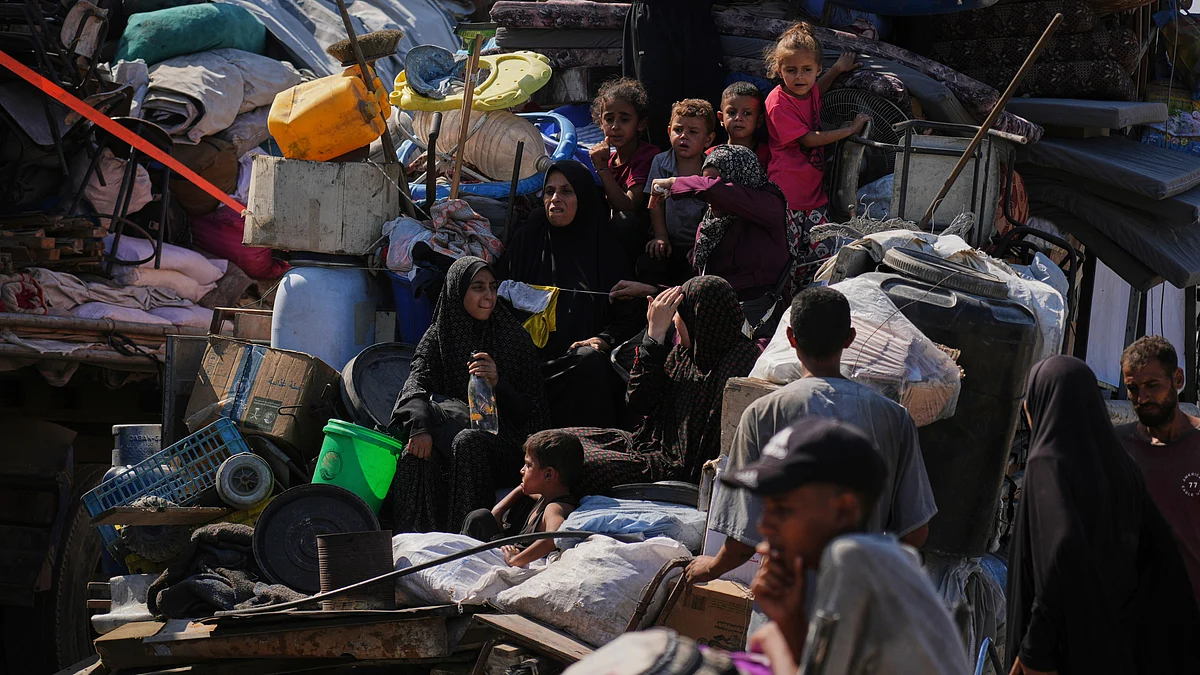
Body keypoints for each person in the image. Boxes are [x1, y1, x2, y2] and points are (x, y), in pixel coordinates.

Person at [689, 287, 936, 603]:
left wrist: (708, 568)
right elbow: (915, 532)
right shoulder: (894, 417)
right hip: (857, 609)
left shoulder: (764, 413)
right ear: (849, 338)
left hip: (782, 606)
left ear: (791, 338)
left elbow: (742, 539)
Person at [723, 418, 969, 675]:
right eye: (766, 508)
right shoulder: (887, 556)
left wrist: (776, 640)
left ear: (844, 509)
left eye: (782, 510)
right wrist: (790, 620)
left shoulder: (851, 557)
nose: (764, 526)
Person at [1007, 355, 1200, 674]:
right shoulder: (1125, 467)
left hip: (1060, 657)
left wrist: (1034, 652)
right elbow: (1160, 556)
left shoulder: (1048, 463)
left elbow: (1063, 551)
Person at [387, 257, 549, 534]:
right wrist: (420, 428)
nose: (488, 296)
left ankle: (468, 539)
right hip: (456, 429)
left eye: (492, 288)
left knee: (469, 442)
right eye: (478, 288)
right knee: (414, 454)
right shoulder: (439, 336)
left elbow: (532, 412)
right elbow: (415, 383)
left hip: (508, 443)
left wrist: (498, 383)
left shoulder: (513, 338)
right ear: (457, 291)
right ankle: (414, 544)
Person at [567, 276, 759, 494]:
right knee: (560, 445)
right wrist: (653, 337)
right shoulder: (685, 355)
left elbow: (697, 449)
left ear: (700, 319)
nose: (675, 322)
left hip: (674, 469)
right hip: (647, 446)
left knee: (572, 465)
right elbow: (639, 402)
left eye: (679, 314)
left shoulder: (739, 360)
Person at [496, 161, 644, 429]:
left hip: (576, 365)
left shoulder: (604, 247)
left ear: (584, 197)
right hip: (528, 364)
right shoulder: (526, 241)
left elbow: (629, 316)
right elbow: (498, 301)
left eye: (567, 191)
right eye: (549, 191)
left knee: (590, 362)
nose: (555, 199)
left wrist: (602, 339)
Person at [648, 144, 789, 338]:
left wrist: (675, 182)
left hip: (757, 319)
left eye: (717, 183)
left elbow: (715, 190)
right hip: (714, 311)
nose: (708, 196)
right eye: (704, 180)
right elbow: (703, 284)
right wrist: (655, 291)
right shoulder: (710, 224)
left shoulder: (768, 205)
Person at [764, 23, 867, 286]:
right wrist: (850, 130)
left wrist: (836, 70)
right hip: (787, 196)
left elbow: (817, 88)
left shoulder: (809, 91)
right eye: (791, 70)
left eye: (807, 70)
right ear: (779, 70)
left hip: (814, 194)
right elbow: (809, 140)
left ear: (817, 69)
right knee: (787, 257)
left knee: (821, 255)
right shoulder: (777, 102)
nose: (800, 77)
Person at [1116, 336, 1200, 608]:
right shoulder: (1115, 448)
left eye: (1153, 385)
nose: (1142, 398)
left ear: (1178, 379)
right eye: (1132, 388)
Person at [460, 430, 583, 567]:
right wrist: (499, 510)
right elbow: (522, 490)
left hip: (517, 560)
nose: (522, 470)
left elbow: (554, 536)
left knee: (479, 518)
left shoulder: (555, 507)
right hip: (509, 549)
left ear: (548, 475)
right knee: (481, 517)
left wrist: (515, 560)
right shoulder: (545, 496)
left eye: (528, 465)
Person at [642, 98, 716, 286]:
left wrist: (701, 244)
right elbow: (655, 203)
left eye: (693, 132)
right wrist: (660, 236)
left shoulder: (710, 169)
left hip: (695, 243)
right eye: (678, 130)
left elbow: (712, 211)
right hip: (667, 238)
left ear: (708, 139)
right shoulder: (661, 162)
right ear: (669, 131)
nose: (684, 136)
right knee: (650, 263)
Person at [588, 78, 660, 265]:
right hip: (616, 236)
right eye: (609, 119)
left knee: (624, 219)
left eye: (625, 119)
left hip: (644, 238)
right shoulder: (610, 158)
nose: (615, 127)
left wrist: (602, 169)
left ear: (641, 124)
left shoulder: (647, 155)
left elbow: (629, 206)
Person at [709, 81, 770, 169]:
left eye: (747, 113)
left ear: (759, 120)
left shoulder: (768, 156)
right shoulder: (711, 155)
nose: (738, 118)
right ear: (721, 118)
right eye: (732, 112)